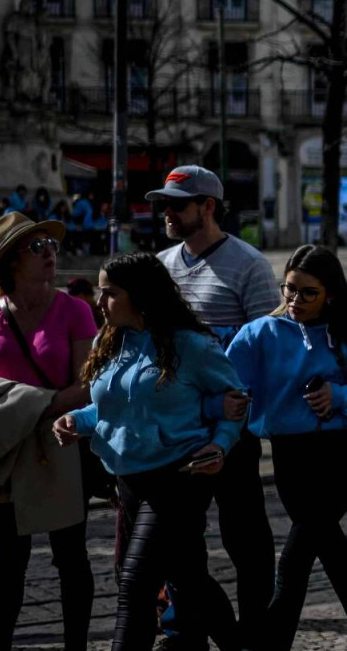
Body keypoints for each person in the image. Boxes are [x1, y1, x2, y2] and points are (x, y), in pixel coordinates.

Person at [53, 253, 248, 651]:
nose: (100, 302)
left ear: (139, 296)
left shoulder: (190, 345)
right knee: (187, 577)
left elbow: (235, 399)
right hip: (127, 479)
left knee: (135, 584)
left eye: (110, 293)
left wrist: (220, 444)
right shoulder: (109, 340)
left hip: (178, 477)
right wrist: (77, 419)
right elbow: (112, 406)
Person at [145, 165, 279, 638]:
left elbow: (269, 349)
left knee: (245, 539)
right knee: (180, 544)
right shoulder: (161, 267)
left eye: (177, 205)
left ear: (208, 207)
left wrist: (236, 412)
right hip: (176, 431)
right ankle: (188, 628)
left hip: (231, 431)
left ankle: (257, 631)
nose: (168, 213)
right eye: (164, 204)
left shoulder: (249, 265)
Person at [226, 246, 347, 650]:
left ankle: (269, 643)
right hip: (289, 456)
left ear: (329, 293)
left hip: (341, 453)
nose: (294, 301)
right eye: (289, 290)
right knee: (329, 548)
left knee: (296, 558)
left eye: (307, 293)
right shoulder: (260, 334)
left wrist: (340, 395)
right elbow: (223, 384)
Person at [0, 213, 96, 651]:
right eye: (36, 247)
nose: (50, 252)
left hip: (60, 441)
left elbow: (86, 385)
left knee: (71, 559)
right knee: (9, 561)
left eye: (50, 245)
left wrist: (34, 405)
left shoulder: (74, 309)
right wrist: (16, 414)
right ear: (10, 262)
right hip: (7, 450)